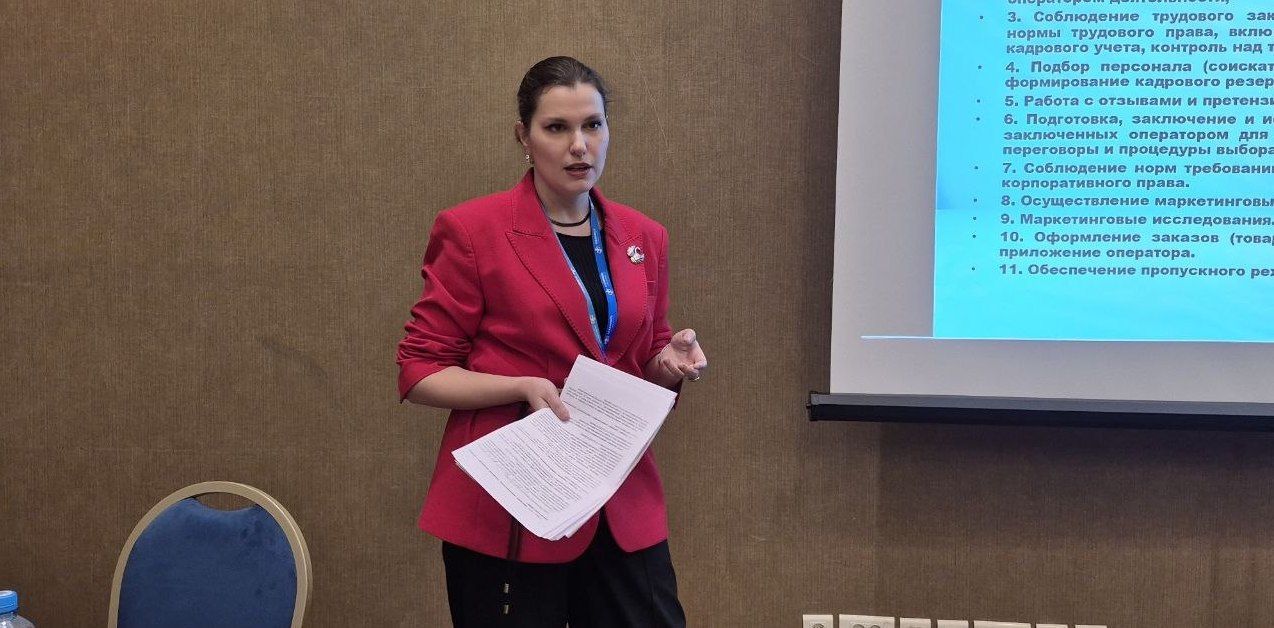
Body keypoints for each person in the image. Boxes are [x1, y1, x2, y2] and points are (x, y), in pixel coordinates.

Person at [396, 56, 707, 627]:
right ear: (524, 136)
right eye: (557, 128)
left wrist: (668, 364)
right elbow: (421, 371)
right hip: (514, 501)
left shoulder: (646, 237)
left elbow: (643, 357)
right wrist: (520, 386)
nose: (579, 146)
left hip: (617, 498)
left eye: (593, 125)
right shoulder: (472, 231)